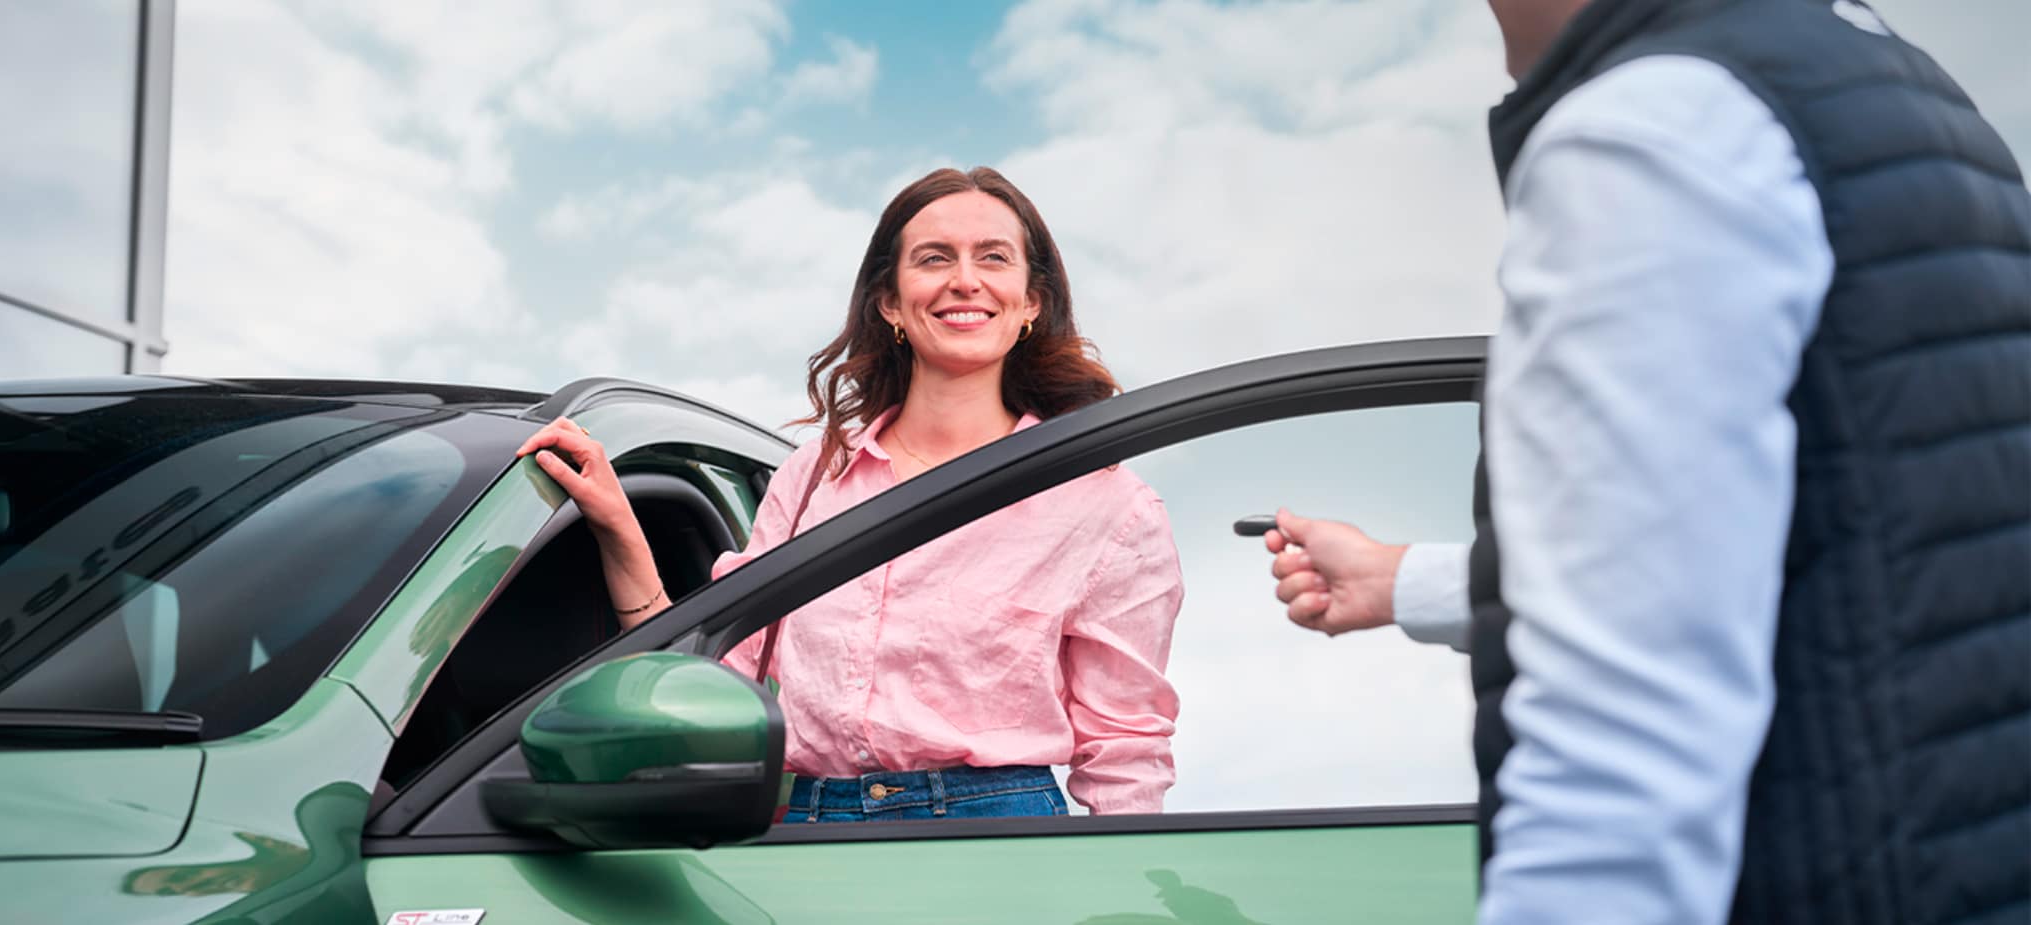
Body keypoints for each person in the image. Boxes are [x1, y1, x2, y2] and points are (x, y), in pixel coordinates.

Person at [1265, 1, 2028, 922]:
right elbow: (1848, 542)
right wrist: (1406, 581)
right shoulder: (1892, 89)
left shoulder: (1648, 134)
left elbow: (1619, 753)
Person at [518, 167, 1184, 820]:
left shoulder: (1104, 504)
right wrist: (616, 523)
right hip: (811, 831)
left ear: (1031, 300)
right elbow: (714, 672)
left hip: (997, 839)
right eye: (933, 258)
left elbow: (1126, 746)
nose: (964, 279)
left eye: (993, 257)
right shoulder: (815, 477)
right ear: (890, 301)